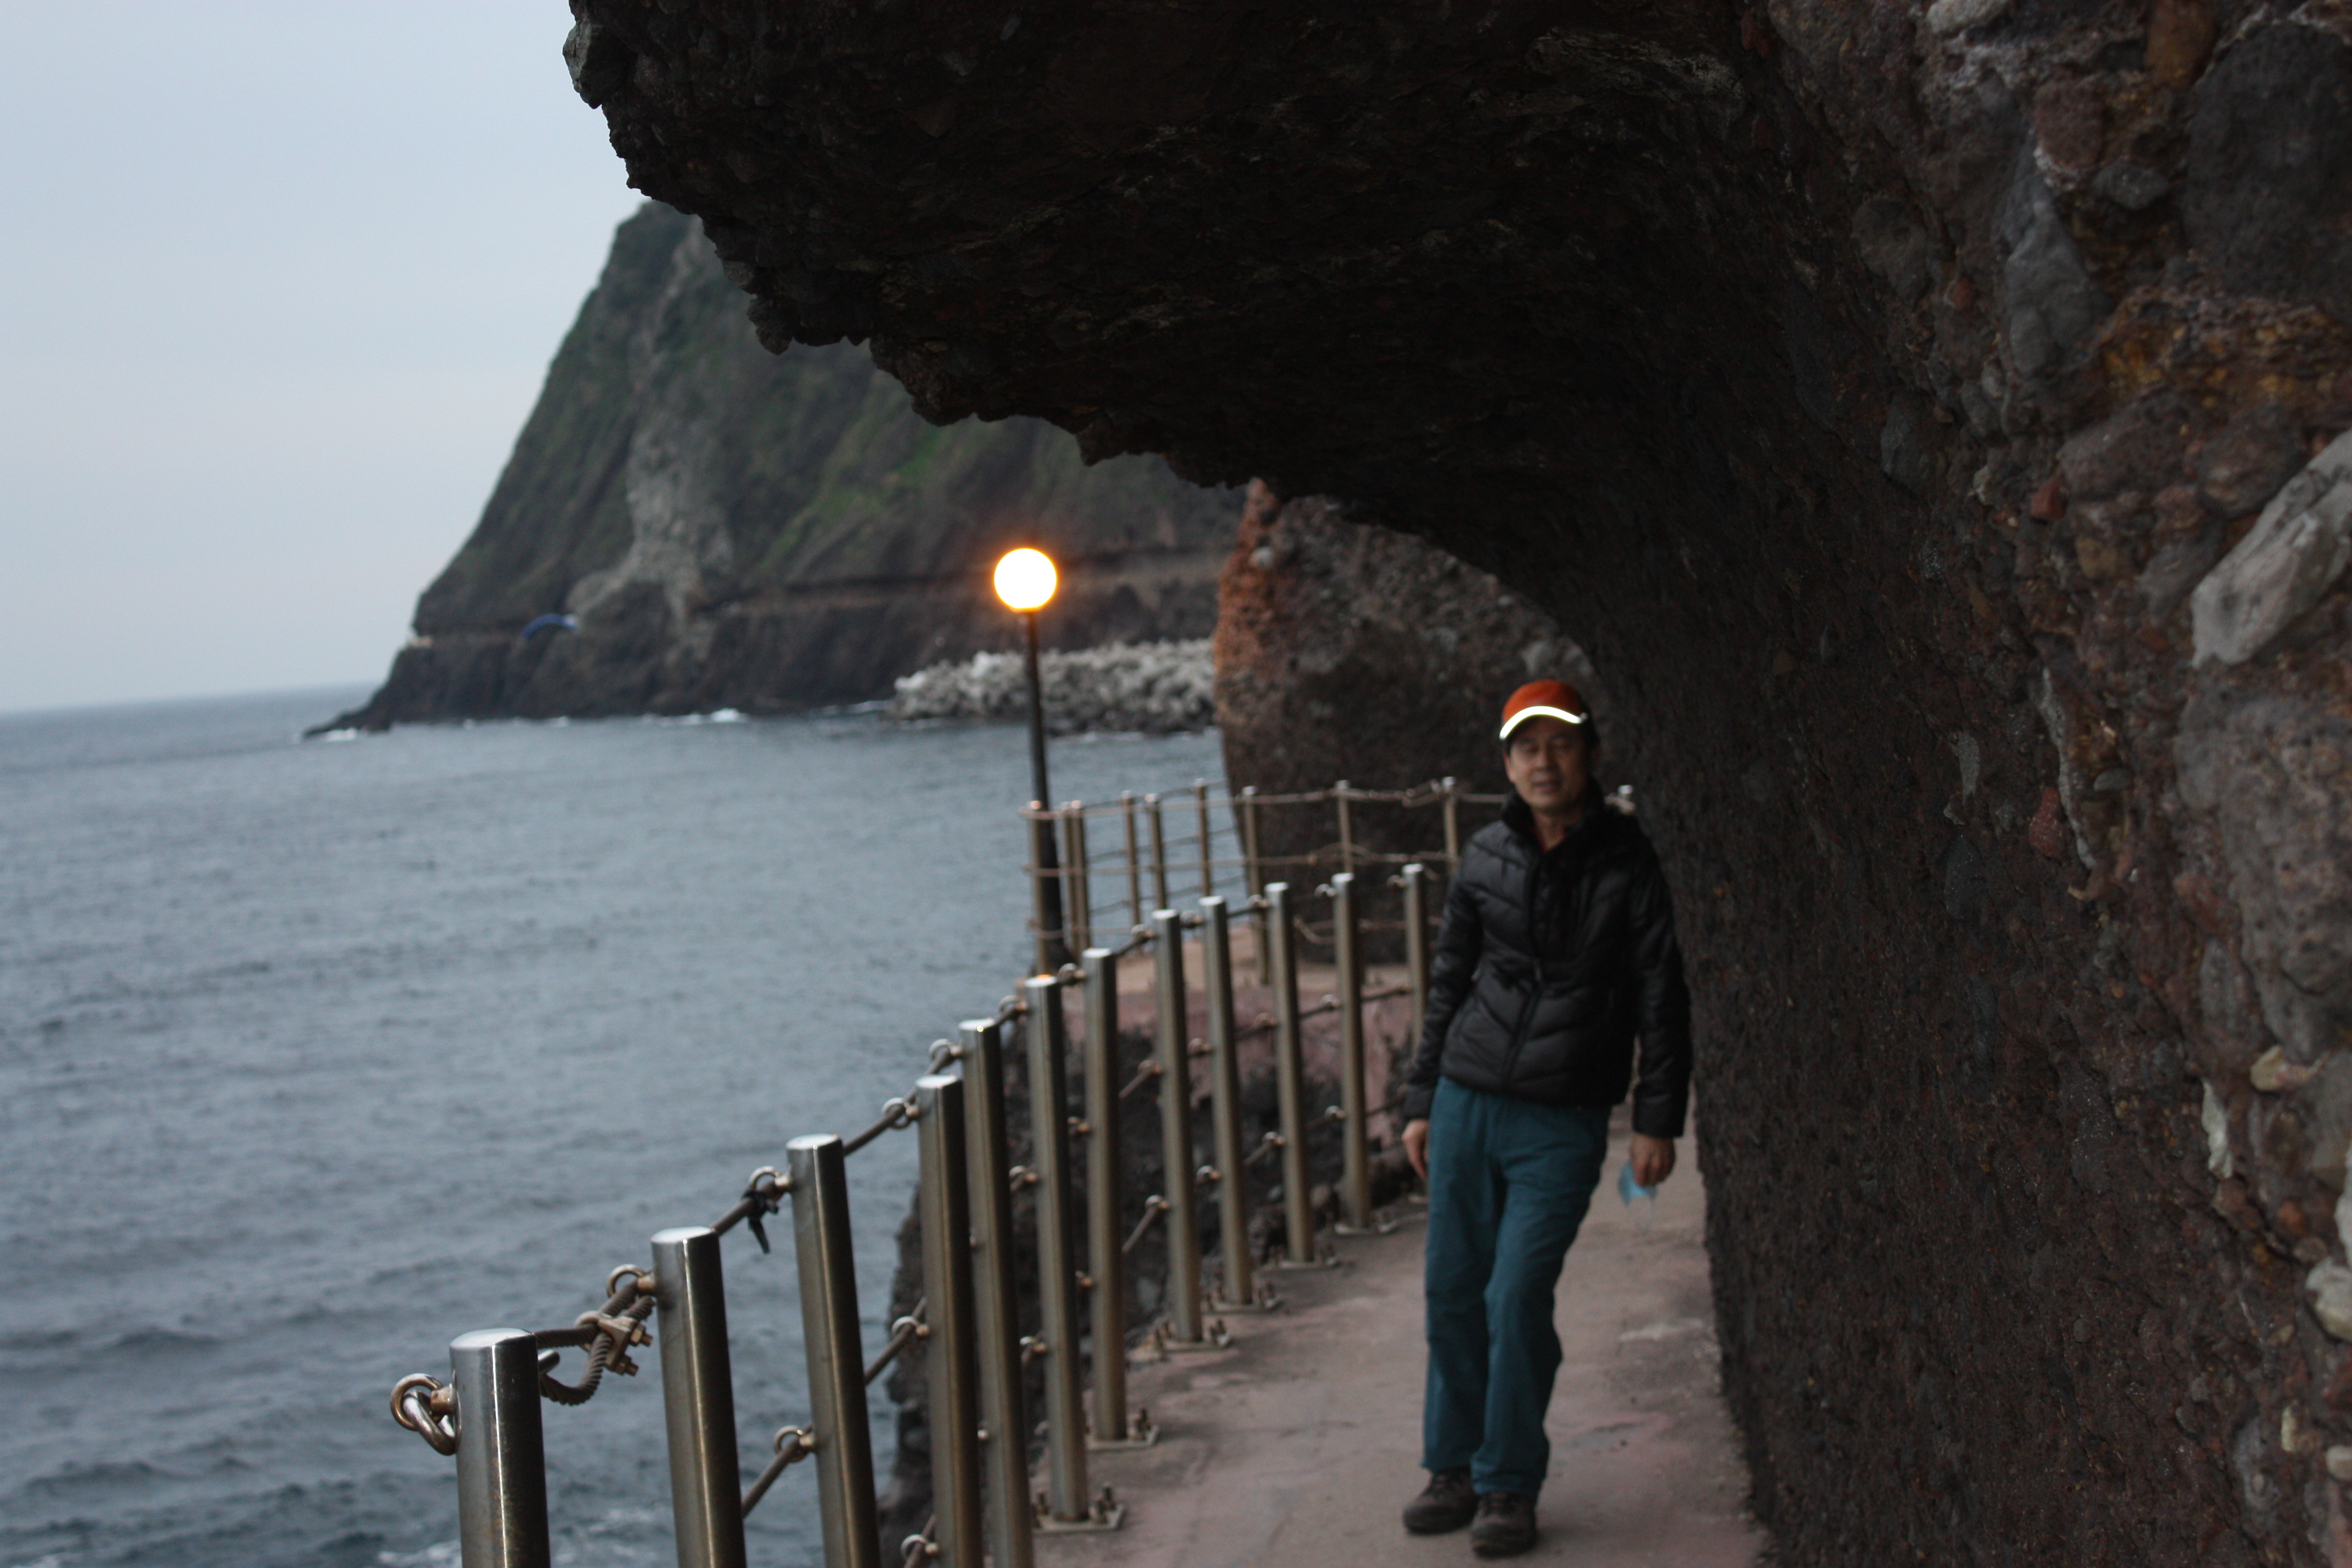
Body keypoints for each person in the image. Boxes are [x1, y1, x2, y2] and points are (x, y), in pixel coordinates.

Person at [1397, 678, 1692, 1557]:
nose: (1544, 762)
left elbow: (1661, 996)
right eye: (1527, 747)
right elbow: (1448, 982)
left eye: (1560, 743)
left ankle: (1509, 1483)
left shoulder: (1630, 863)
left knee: (1517, 1294)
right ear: (1507, 763)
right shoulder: (1486, 855)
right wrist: (1422, 1100)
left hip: (1562, 1117)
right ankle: (1452, 1467)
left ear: (1590, 754)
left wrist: (1657, 1120)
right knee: (1454, 1291)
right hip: (1467, 1100)